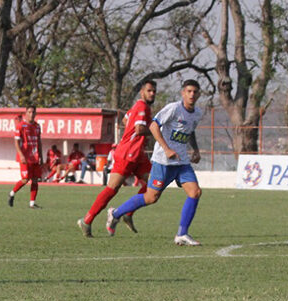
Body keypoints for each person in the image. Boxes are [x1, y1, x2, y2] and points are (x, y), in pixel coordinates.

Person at [106, 79, 204, 246]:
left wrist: (195, 149)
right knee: (151, 197)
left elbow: (190, 131)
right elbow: (153, 126)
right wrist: (166, 149)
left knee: (195, 192)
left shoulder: (197, 113)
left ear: (198, 94)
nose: (192, 95)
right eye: (189, 91)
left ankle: (182, 234)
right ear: (183, 93)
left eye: (195, 92)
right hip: (163, 161)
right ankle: (115, 213)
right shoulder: (173, 109)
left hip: (181, 162)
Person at [77, 79, 156, 237]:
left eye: (154, 91)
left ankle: (127, 212)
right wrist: (157, 129)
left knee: (153, 185)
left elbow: (125, 120)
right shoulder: (141, 106)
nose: (152, 93)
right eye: (149, 90)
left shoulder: (137, 107)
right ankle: (87, 220)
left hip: (138, 153)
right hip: (127, 154)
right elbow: (139, 129)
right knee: (112, 189)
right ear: (142, 92)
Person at [8, 105, 43, 209]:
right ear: (26, 113)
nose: (31, 114)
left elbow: (39, 141)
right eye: (29, 112)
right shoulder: (21, 126)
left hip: (35, 156)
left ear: (35, 114)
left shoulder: (37, 126)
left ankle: (32, 204)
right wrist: (21, 155)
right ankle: (12, 193)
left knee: (35, 180)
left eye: (33, 112)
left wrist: (40, 155)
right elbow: (16, 142)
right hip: (25, 157)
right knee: (25, 179)